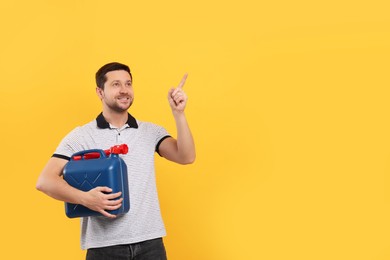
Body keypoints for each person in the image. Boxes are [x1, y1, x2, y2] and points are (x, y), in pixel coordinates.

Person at [36, 62, 196, 260]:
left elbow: (186, 156)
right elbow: (45, 181)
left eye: (128, 84)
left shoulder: (150, 132)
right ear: (100, 92)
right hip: (104, 248)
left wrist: (178, 113)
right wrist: (86, 199)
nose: (124, 90)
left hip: (151, 244)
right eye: (116, 84)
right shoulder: (81, 136)